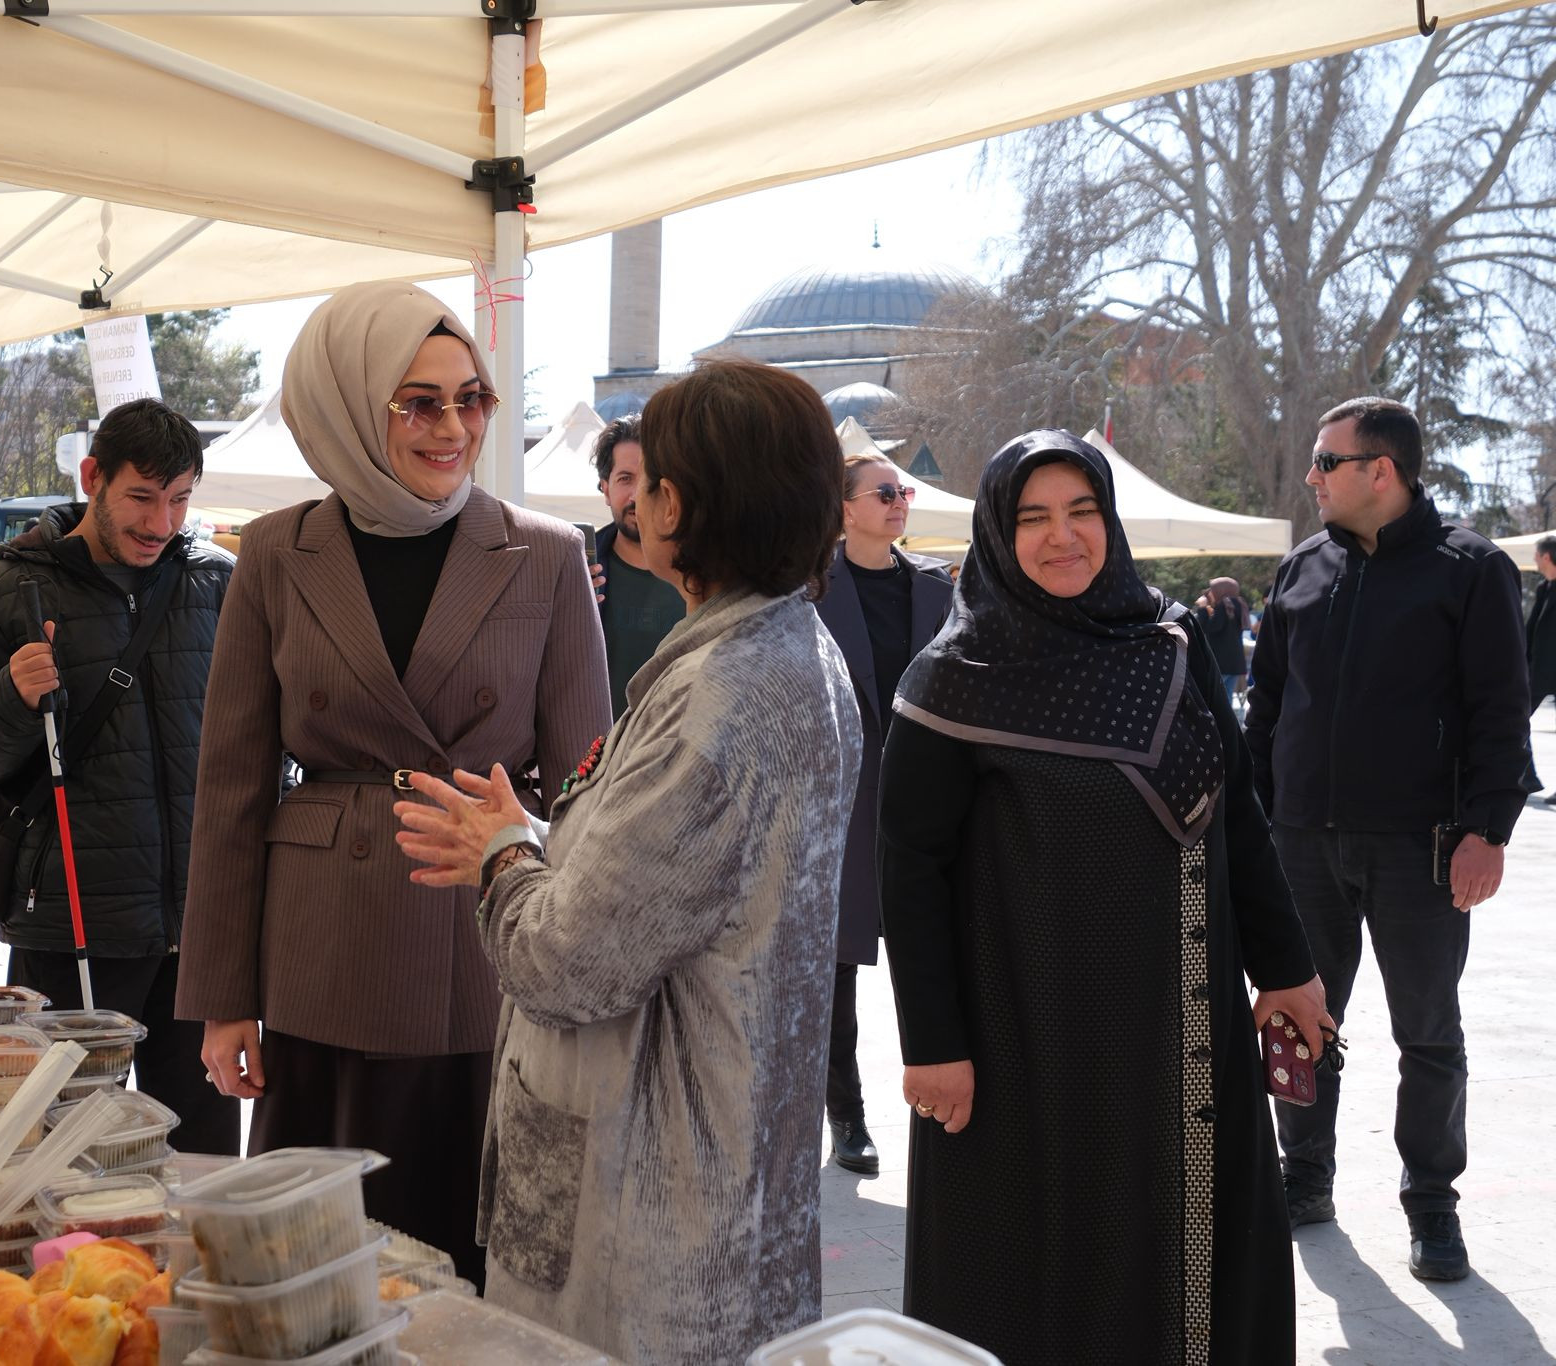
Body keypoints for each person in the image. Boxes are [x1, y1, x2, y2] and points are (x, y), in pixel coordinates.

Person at [390, 359, 860, 1365]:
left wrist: (502, 856)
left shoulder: (719, 699)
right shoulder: (795, 649)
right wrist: (543, 839)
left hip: (650, 1195)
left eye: (648, 479)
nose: (634, 499)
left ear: (677, 504)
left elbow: (568, 962)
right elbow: (673, 884)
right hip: (729, 1162)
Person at [180, 282, 609, 1286]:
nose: (452, 428)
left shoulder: (545, 554)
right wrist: (221, 998)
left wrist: (586, 982)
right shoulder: (276, 552)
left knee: (469, 1255)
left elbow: (587, 795)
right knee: (315, 1262)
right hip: (320, 955)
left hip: (481, 943)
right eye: (418, 403)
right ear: (344, 406)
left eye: (472, 399)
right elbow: (231, 788)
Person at [879, 430, 1328, 1365]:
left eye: (1083, 511)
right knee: (1047, 1271)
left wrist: (1287, 969)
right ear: (998, 535)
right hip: (1029, 1039)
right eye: (1034, 517)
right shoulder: (953, 681)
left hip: (1185, 1027)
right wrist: (933, 1046)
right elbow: (910, 872)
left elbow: (1238, 814)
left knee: (1193, 1258)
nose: (1064, 536)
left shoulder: (1171, 642)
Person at [1246, 396, 1530, 1282]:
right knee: (1297, 1019)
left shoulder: (1471, 570)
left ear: (1382, 471)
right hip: (1301, 844)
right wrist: (1253, 825)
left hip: (1423, 848)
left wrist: (1488, 830)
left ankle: (1432, 1204)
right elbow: (1265, 709)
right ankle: (1304, 1176)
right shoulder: (1302, 569)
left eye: (1326, 462)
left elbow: (1500, 710)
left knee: (1429, 1033)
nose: (1312, 476)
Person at [0, 398, 240, 1155]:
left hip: (200, 931)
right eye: (142, 497)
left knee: (200, 1154)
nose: (161, 523)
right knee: (63, 1152)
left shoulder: (218, 585)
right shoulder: (2, 595)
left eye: (180, 500)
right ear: (92, 476)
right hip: (69, 926)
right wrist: (11, 697)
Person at [812, 451, 953, 1178]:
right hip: (842, 796)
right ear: (844, 509)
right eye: (884, 492)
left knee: (935, 954)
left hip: (928, 795)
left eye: (904, 492)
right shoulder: (809, 589)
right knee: (836, 968)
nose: (899, 501)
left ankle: (949, 1105)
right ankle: (848, 1117)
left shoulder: (938, 587)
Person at [587, 414, 685, 719]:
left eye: (649, 479)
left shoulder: (706, 573)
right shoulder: (580, 572)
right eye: (625, 478)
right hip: (599, 745)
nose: (638, 495)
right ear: (605, 488)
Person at [1522, 534, 1556, 796]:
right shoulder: (1544, 588)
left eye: (1536, 554)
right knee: (1515, 719)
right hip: (1538, 671)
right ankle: (1528, 777)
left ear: (1546, 556)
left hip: (1548, 670)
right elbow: (1532, 631)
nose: (1534, 559)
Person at [1195, 576, 1250, 702]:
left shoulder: (1225, 605)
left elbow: (1210, 627)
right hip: (1235, 661)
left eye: (1212, 589)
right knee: (1227, 697)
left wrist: (1202, 608)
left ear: (1221, 590)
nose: (1209, 593)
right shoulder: (1239, 604)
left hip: (1222, 662)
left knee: (1215, 697)